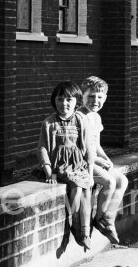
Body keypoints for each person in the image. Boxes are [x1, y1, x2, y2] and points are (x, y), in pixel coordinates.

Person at [37, 81, 94, 251]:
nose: (64, 103)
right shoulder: (49, 123)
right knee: (77, 187)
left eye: (69, 99)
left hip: (78, 166)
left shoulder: (80, 120)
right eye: (60, 99)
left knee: (85, 190)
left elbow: (88, 149)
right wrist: (49, 173)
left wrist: (90, 174)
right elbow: (43, 149)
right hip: (59, 167)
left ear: (77, 101)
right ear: (54, 101)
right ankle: (75, 225)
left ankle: (83, 232)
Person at [79, 76, 128, 245]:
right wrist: (99, 161)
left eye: (99, 97)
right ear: (82, 96)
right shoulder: (80, 117)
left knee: (122, 180)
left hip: (95, 160)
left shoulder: (96, 117)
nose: (95, 100)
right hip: (83, 162)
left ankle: (108, 217)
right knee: (110, 182)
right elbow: (82, 148)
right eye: (91, 96)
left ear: (105, 98)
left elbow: (96, 144)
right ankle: (100, 220)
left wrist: (106, 158)